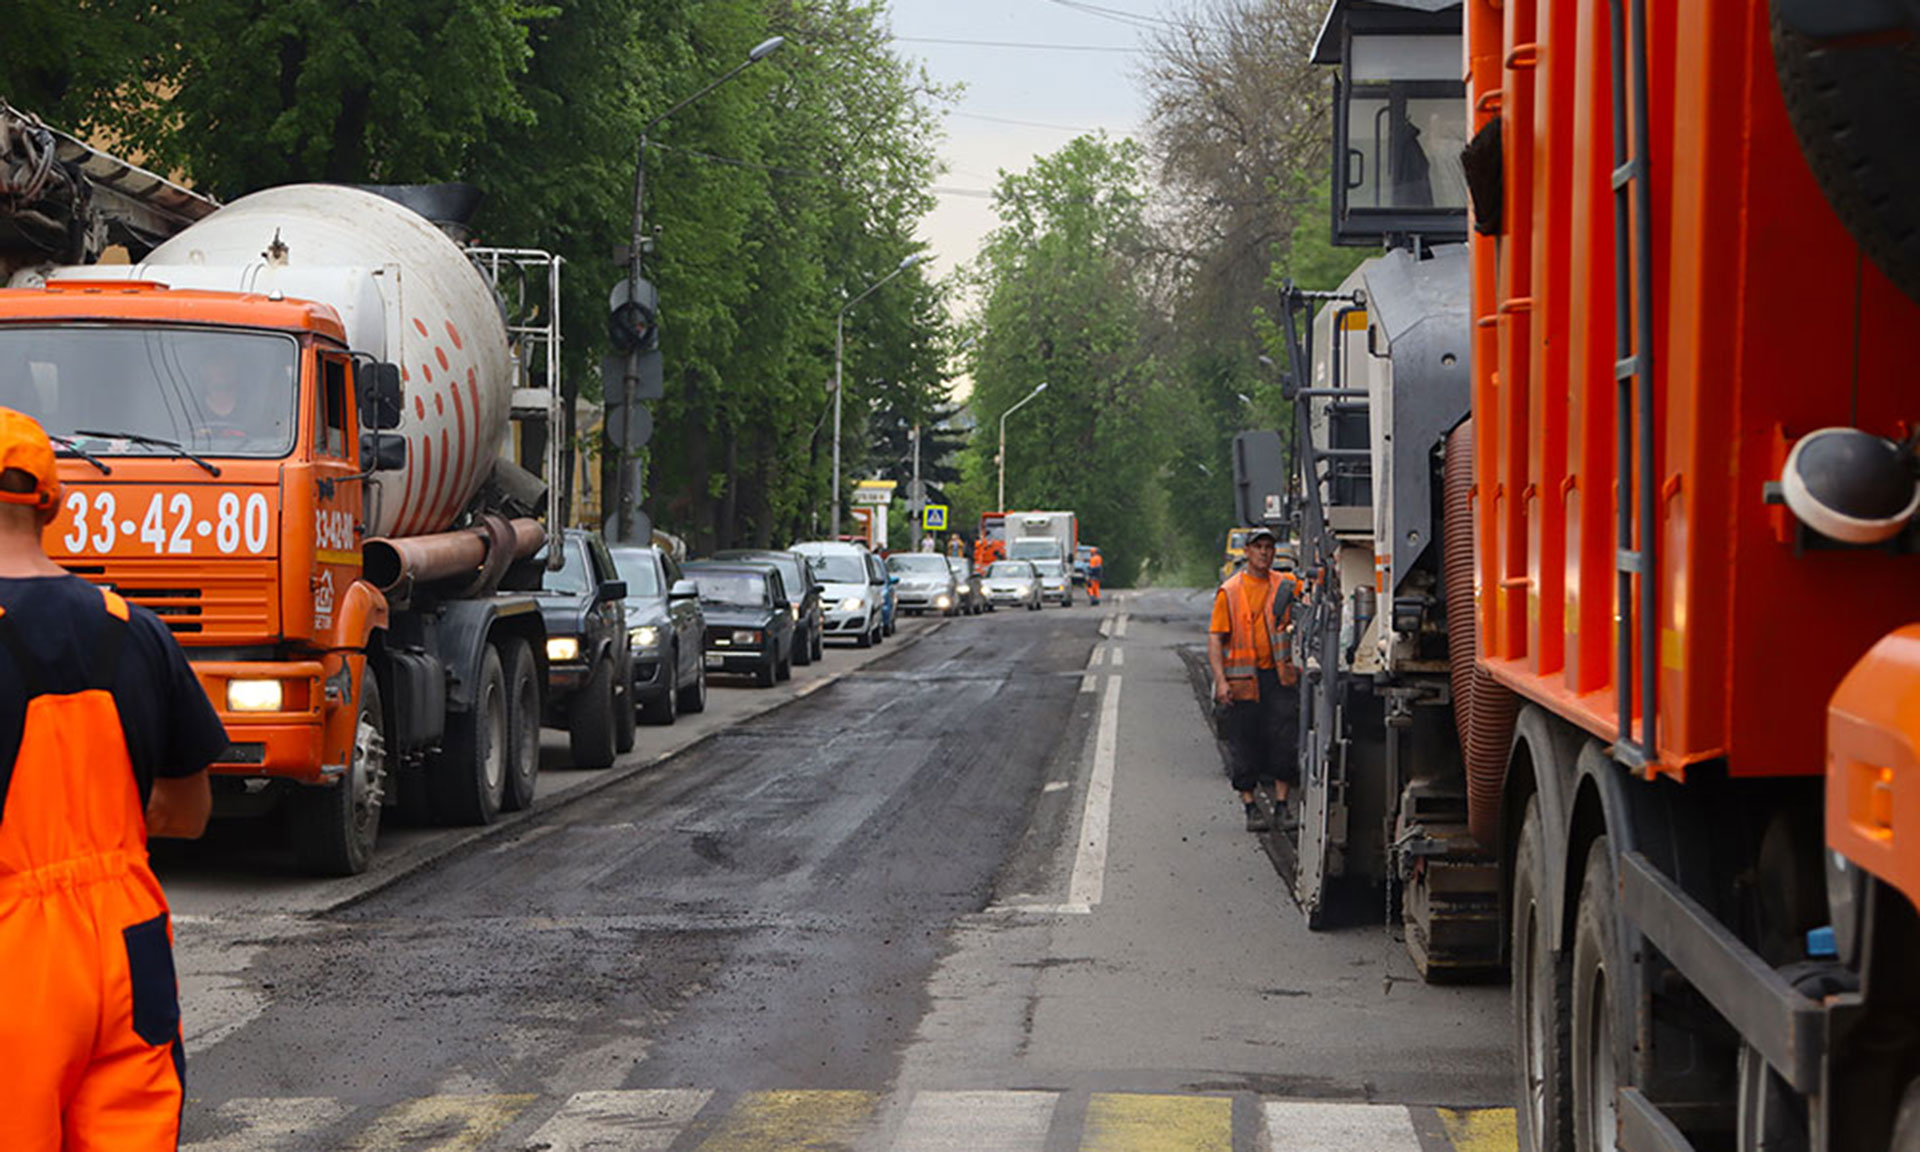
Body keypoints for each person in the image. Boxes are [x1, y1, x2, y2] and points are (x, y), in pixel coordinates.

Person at [0, 408, 228, 1151]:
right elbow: (189, 812)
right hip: (129, 945)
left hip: (14, 957)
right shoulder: (135, 628)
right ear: (53, 505)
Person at [1207, 526, 1303, 833]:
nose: (1264, 552)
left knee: (1284, 740)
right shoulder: (1231, 591)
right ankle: (1250, 807)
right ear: (1247, 551)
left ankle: (1282, 806)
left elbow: (1315, 589)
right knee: (1245, 744)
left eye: (1269, 547)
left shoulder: (1285, 585)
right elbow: (1215, 638)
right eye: (1258, 546)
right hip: (1243, 681)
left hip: (1279, 676)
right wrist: (1221, 681)